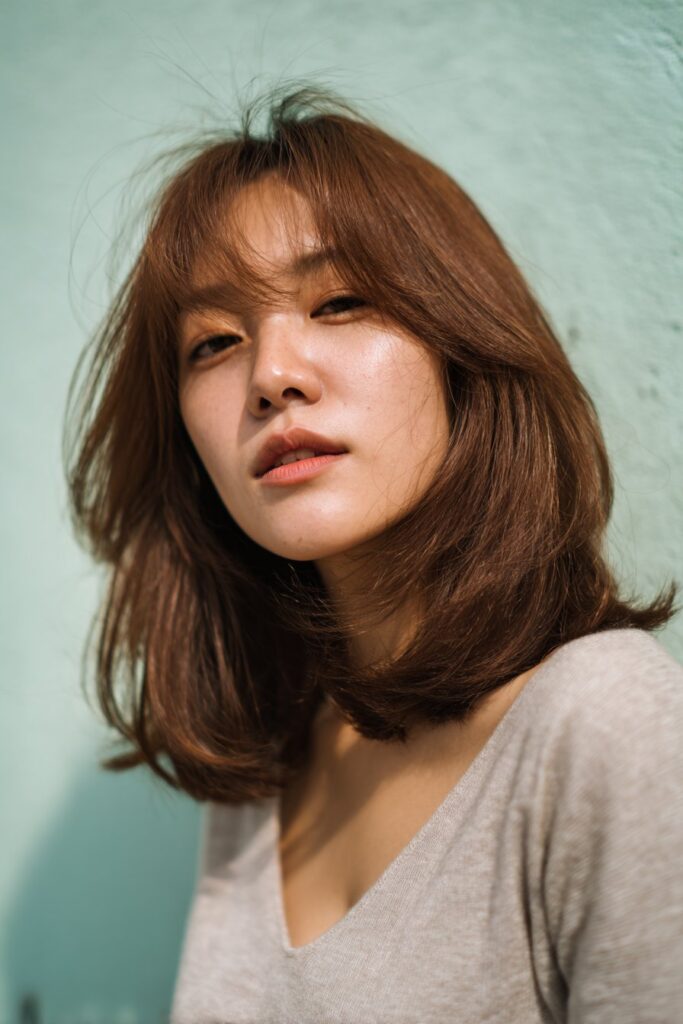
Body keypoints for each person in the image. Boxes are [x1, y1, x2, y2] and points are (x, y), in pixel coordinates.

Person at [63, 83, 683, 1023]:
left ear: (461, 348)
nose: (272, 375)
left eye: (341, 301)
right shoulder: (266, 767)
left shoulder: (605, 722)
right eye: (214, 342)